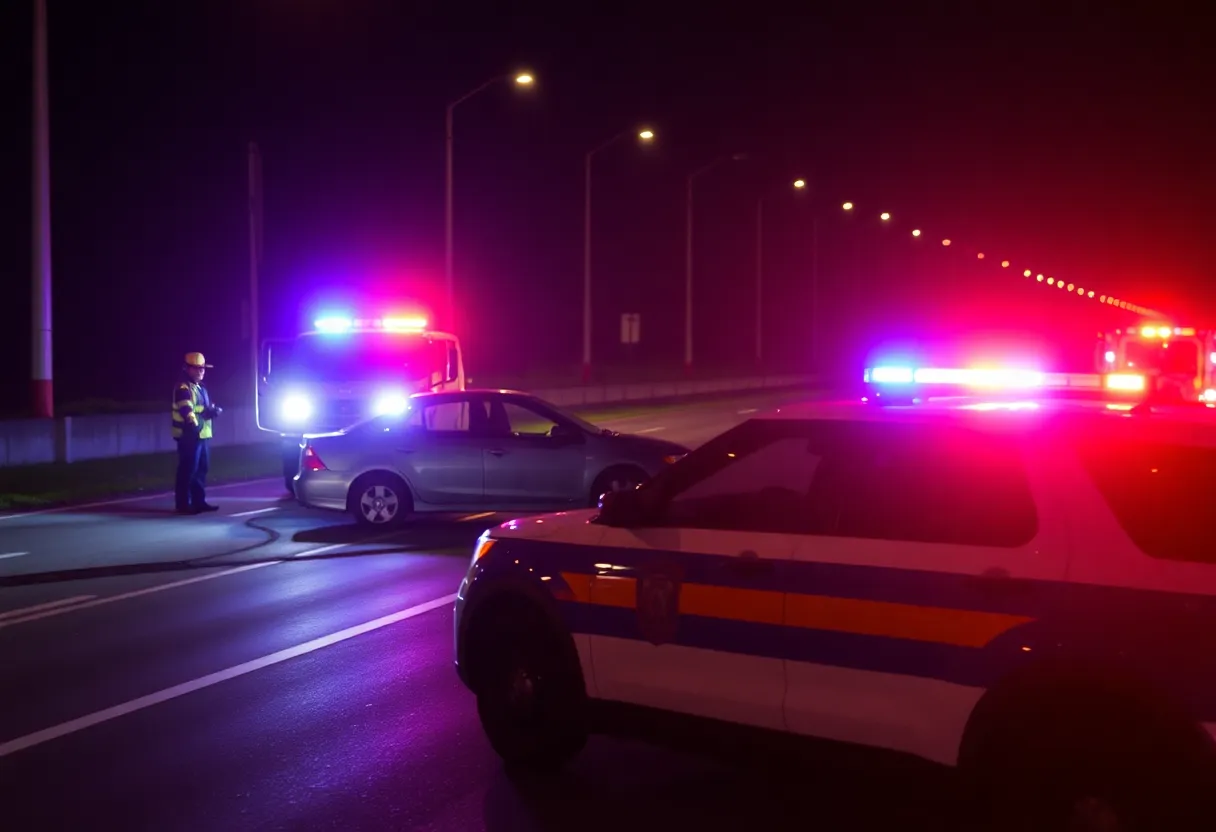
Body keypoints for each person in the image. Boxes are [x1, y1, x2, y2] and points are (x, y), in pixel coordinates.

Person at [172, 352, 223, 514]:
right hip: (190, 435)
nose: (201, 371)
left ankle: (199, 502)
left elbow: (202, 408)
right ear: (187, 368)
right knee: (187, 470)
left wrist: (213, 411)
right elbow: (186, 409)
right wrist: (196, 421)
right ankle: (183, 505)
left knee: (201, 469)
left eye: (202, 368)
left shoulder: (200, 387)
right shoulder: (183, 387)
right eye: (197, 368)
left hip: (202, 435)